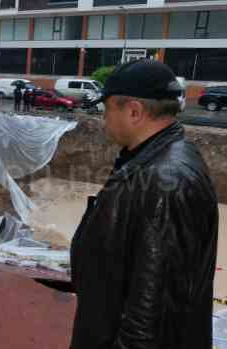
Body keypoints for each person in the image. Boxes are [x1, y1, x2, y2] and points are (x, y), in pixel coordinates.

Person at [70, 59, 218, 349]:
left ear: (134, 111)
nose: (104, 119)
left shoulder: (167, 182)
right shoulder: (151, 158)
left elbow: (150, 319)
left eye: (107, 109)